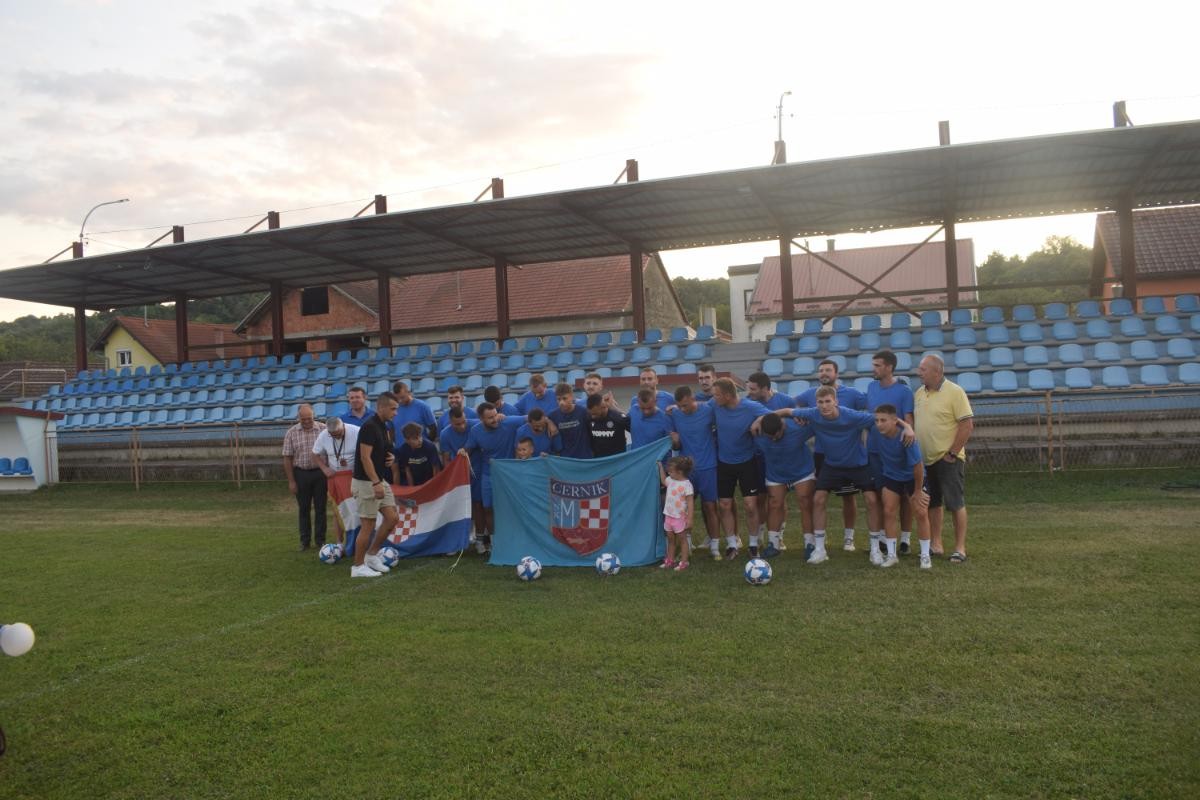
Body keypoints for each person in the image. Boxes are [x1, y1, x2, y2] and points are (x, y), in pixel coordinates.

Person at [786, 386, 908, 565]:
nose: (824, 405)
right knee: (818, 499)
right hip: (832, 465)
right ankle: (819, 550)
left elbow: (882, 418)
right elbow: (786, 411)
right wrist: (761, 419)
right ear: (816, 403)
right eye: (820, 402)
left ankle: (875, 550)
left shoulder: (852, 415)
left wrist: (907, 427)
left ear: (836, 401)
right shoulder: (813, 413)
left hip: (858, 464)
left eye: (828, 401)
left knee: (871, 500)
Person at [795, 359, 867, 555]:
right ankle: (819, 540)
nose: (824, 373)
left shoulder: (852, 394)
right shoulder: (811, 394)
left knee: (848, 497)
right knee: (818, 497)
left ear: (837, 373)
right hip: (822, 454)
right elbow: (793, 403)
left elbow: (872, 405)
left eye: (828, 370)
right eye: (821, 370)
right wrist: (798, 416)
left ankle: (849, 537)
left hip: (847, 454)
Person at [914, 354, 974, 564]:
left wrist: (952, 453)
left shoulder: (955, 392)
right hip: (925, 460)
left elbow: (967, 425)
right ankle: (936, 544)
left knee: (955, 503)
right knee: (932, 502)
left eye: (923, 369)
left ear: (937, 372)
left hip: (948, 458)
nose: (919, 373)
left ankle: (960, 548)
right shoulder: (919, 393)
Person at [711, 377, 771, 559]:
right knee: (724, 505)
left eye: (717, 395)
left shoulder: (750, 407)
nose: (714, 398)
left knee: (750, 505)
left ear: (728, 395)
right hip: (724, 463)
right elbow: (697, 407)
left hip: (747, 462)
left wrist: (759, 419)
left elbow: (773, 415)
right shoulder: (715, 405)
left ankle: (753, 544)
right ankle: (731, 544)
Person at [866, 351, 916, 555]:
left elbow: (908, 420)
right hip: (875, 450)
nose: (874, 369)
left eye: (877, 365)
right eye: (874, 365)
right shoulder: (871, 387)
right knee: (880, 494)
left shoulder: (904, 391)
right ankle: (883, 539)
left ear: (889, 367)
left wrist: (908, 434)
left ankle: (905, 539)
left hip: (897, 451)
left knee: (904, 497)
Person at [461, 403, 527, 553]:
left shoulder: (508, 421)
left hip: (508, 475)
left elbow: (531, 418)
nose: (495, 419)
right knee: (488, 508)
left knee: (511, 508)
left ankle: (514, 540)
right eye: (490, 417)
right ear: (481, 419)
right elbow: (468, 448)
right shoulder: (476, 431)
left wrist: (549, 423)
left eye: (496, 414)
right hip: (488, 474)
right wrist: (462, 452)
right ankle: (493, 543)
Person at [874, 404, 932, 569]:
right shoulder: (876, 431)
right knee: (888, 511)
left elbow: (918, 466)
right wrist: (905, 423)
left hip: (913, 477)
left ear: (894, 421)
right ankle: (892, 555)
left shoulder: (907, 437)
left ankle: (925, 555)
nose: (879, 424)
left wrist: (918, 491)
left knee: (921, 512)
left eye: (883, 420)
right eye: (877, 420)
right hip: (891, 476)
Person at [349, 391, 401, 578]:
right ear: (381, 407)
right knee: (368, 525)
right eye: (393, 409)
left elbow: (385, 450)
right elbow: (365, 457)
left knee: (392, 518)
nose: (396, 413)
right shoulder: (369, 427)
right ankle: (357, 567)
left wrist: (391, 457)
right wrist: (376, 482)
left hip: (379, 479)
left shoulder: (384, 426)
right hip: (367, 482)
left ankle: (371, 555)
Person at [667, 385, 722, 558]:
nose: (682, 409)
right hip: (687, 469)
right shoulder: (675, 414)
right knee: (683, 508)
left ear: (693, 399)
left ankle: (715, 545)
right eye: (679, 406)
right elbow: (676, 445)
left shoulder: (708, 410)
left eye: (685, 405)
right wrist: (675, 441)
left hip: (708, 466)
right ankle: (687, 544)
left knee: (710, 506)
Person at [754, 412, 816, 559]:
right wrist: (756, 421)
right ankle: (773, 544)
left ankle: (810, 544)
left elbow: (819, 420)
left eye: (777, 435)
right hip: (776, 474)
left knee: (805, 502)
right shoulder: (757, 432)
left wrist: (802, 416)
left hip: (802, 471)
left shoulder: (798, 428)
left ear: (783, 426)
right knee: (774, 504)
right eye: (770, 436)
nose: (774, 439)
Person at [746, 371, 795, 550]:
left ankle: (778, 536)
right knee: (760, 497)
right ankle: (759, 536)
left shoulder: (786, 401)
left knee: (779, 499)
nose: (749, 392)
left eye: (753, 389)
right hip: (758, 457)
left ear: (765, 388)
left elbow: (796, 422)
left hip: (780, 458)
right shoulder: (748, 403)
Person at [439, 407, 486, 551]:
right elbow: (446, 459)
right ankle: (458, 540)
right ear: (450, 422)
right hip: (458, 474)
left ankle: (479, 539)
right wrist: (450, 478)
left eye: (464, 422)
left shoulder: (476, 425)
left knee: (478, 504)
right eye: (457, 424)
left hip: (478, 470)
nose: (462, 426)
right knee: (458, 505)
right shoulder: (445, 434)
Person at [282, 404, 327, 551]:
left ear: (314, 416)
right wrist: (291, 481)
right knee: (303, 509)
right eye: (303, 419)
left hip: (320, 474)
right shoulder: (291, 433)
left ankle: (320, 541)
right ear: (298, 417)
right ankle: (304, 541)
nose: (307, 421)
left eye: (309, 418)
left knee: (321, 508)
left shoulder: (324, 429)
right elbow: (287, 458)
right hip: (301, 474)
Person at [313, 417, 360, 546]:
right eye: (333, 435)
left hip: (355, 478)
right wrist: (324, 469)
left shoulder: (357, 431)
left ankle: (358, 540)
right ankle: (339, 542)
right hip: (335, 479)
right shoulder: (324, 435)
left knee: (357, 510)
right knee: (338, 511)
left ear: (343, 426)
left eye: (339, 434)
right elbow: (315, 454)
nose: (336, 437)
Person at [658, 455, 695, 571]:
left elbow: (690, 503)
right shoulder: (670, 480)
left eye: (671, 471)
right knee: (670, 539)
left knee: (682, 539)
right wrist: (660, 467)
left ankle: (684, 562)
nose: (669, 472)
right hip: (669, 516)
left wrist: (690, 519)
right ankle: (670, 560)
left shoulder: (687, 485)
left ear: (679, 472)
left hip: (679, 517)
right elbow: (663, 480)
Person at [549, 382, 592, 459]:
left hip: (585, 458)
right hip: (566, 459)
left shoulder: (583, 412)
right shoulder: (553, 416)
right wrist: (548, 422)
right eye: (559, 399)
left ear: (572, 397)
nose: (561, 402)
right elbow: (539, 418)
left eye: (564, 398)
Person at [395, 422, 442, 486]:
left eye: (420, 436)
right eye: (415, 438)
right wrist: (411, 488)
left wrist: (434, 485)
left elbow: (436, 468)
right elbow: (408, 470)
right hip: (417, 483)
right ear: (407, 440)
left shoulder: (430, 446)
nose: (420, 440)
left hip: (430, 480)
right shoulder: (403, 450)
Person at [630, 387, 673, 454]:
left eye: (649, 408)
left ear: (655, 401)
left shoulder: (665, 419)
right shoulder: (633, 410)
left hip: (658, 460)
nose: (646, 411)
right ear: (638, 402)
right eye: (642, 408)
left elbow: (671, 445)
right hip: (636, 459)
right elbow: (622, 419)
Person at [586, 392, 629, 457]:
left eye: (595, 414)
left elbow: (636, 431)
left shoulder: (618, 418)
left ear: (603, 407)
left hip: (617, 460)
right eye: (591, 414)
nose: (592, 417)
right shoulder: (589, 418)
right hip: (598, 460)